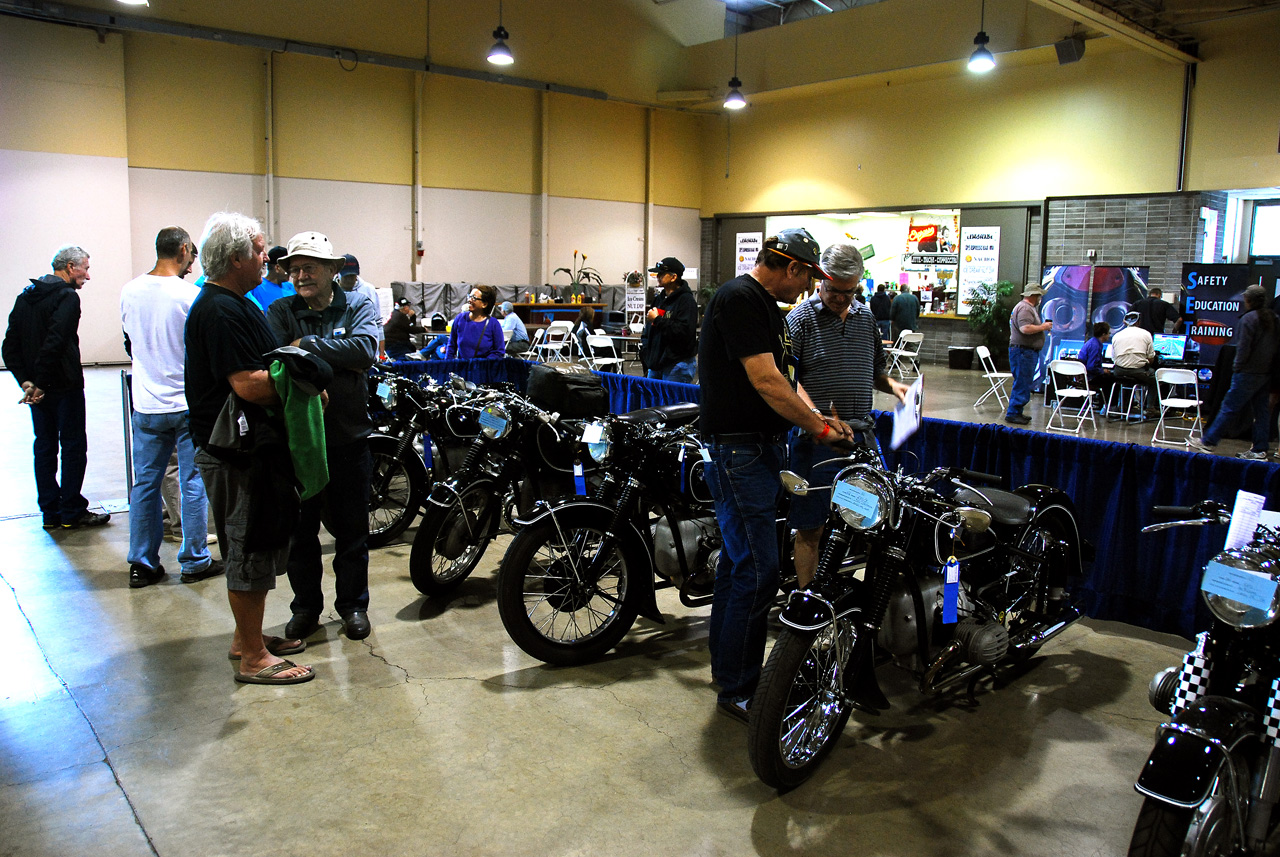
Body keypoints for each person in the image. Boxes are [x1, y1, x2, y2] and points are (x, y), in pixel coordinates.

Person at [698, 227, 855, 724]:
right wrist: (817, 429)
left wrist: (820, 420)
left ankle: (726, 669)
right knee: (761, 570)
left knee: (739, 565)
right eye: (808, 277)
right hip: (739, 451)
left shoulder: (767, 308)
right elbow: (764, 380)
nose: (809, 289)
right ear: (791, 268)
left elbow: (786, 376)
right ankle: (741, 689)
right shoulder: (740, 298)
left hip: (756, 450)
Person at [185, 211, 313, 685]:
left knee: (255, 543)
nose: (267, 258)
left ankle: (248, 638)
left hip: (247, 449)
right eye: (260, 251)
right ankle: (254, 658)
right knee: (246, 545)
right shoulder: (219, 309)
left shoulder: (235, 302)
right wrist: (304, 384)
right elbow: (248, 384)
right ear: (236, 256)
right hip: (235, 452)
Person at [267, 231, 380, 642]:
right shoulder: (280, 311)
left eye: (309, 267)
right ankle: (305, 610)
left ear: (333, 270)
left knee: (352, 533)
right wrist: (320, 361)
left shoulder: (358, 304)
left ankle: (352, 607)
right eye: (294, 269)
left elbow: (365, 350)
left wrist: (307, 344)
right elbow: (278, 360)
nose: (300, 276)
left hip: (350, 438)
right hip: (302, 442)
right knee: (301, 534)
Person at [787, 242, 909, 588]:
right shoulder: (800, 320)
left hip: (859, 443)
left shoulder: (866, 317)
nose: (841, 298)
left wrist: (895, 387)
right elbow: (787, 380)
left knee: (867, 522)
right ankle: (807, 603)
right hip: (817, 442)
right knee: (811, 526)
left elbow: (875, 372)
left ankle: (854, 601)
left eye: (849, 291)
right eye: (833, 290)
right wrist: (814, 417)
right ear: (820, 280)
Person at [119, 227, 222, 588]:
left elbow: (131, 343)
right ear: (182, 250)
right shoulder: (189, 295)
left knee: (145, 484)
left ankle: (142, 564)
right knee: (192, 481)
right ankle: (194, 559)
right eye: (191, 257)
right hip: (185, 402)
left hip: (146, 404)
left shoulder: (129, 291)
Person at [2, 245, 110, 530]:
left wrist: (26, 382)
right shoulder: (67, 298)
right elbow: (56, 340)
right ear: (71, 267)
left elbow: (9, 346)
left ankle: (50, 513)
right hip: (63, 386)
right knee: (73, 446)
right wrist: (37, 383)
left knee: (45, 447)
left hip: (39, 391)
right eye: (86, 268)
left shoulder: (25, 297)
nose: (88, 275)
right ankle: (71, 510)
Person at [1190, 284, 1279, 460]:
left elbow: (1243, 348)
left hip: (1247, 372)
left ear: (1248, 300)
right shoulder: (1275, 318)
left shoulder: (1248, 319)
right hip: (1266, 373)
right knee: (1262, 412)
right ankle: (1260, 449)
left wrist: (1237, 367)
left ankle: (1208, 442)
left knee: (1229, 407)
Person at [639, 256, 698, 383]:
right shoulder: (659, 299)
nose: (658, 276)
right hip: (655, 364)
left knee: (672, 403)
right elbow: (649, 329)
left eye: (662, 274)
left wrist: (658, 320)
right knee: (653, 402)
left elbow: (683, 332)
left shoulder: (686, 301)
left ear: (673, 277)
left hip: (677, 365)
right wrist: (646, 351)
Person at [1005, 282, 1052, 425]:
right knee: (1022, 381)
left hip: (1024, 352)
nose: (1040, 299)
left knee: (1023, 381)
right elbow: (1025, 328)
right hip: (1023, 352)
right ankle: (1013, 412)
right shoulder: (1025, 308)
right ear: (1033, 295)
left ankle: (1017, 411)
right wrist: (1043, 327)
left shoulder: (1026, 308)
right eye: (1039, 295)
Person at [1111, 310, 1161, 416]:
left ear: (1125, 322)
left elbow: (1114, 357)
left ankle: (1123, 406)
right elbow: (1151, 358)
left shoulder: (1116, 335)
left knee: (1126, 379)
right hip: (1138, 371)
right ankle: (1150, 408)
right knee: (1156, 378)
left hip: (1119, 371)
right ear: (1138, 322)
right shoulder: (1146, 334)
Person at [448, 284, 504, 359]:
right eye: (469, 296)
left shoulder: (493, 324)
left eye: (474, 298)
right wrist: (448, 365)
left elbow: (499, 352)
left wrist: (481, 364)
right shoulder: (460, 319)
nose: (469, 300)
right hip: (462, 369)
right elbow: (451, 346)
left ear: (484, 304)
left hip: (484, 369)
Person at [1077, 321, 1115, 407]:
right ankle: (1109, 406)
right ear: (1103, 334)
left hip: (1085, 375)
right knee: (1112, 379)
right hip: (1089, 377)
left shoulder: (1092, 342)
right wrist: (1102, 371)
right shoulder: (1096, 346)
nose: (1109, 335)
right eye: (1108, 333)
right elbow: (1091, 367)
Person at [246, 245, 295, 312]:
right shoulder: (256, 287)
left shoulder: (291, 287)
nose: (290, 271)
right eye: (287, 267)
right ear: (278, 268)